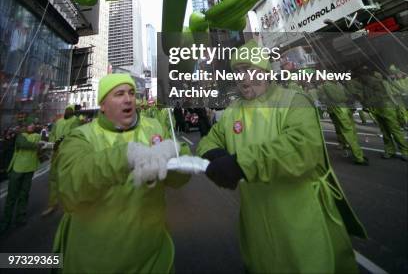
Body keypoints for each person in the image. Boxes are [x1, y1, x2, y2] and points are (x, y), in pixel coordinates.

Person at [197, 40, 366, 274]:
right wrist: (213, 153)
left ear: (264, 70)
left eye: (248, 69)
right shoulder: (232, 112)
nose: (242, 77)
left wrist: (241, 164)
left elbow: (301, 147)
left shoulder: (294, 101)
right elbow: (210, 139)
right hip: (256, 223)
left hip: (301, 219)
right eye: (237, 71)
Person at [53, 74, 190, 274]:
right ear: (103, 105)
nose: (128, 99)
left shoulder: (154, 128)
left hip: (154, 259)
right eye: (119, 94)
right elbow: (69, 186)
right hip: (94, 263)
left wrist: (175, 158)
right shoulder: (81, 136)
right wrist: (124, 157)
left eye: (131, 93)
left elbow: (180, 178)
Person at [1, 120, 42, 232]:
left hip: (29, 169)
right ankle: (6, 221)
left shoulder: (37, 136)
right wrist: (36, 146)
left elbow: (38, 147)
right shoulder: (21, 136)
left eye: (33, 124)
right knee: (12, 196)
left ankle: (20, 217)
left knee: (24, 194)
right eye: (30, 124)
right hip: (17, 168)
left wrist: (39, 147)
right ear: (25, 126)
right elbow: (22, 144)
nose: (32, 126)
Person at [41, 104, 81, 216]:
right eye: (67, 109)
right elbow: (53, 134)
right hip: (56, 153)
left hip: (67, 153)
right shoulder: (58, 122)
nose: (68, 111)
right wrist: (52, 144)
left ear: (72, 111)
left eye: (70, 110)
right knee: (53, 178)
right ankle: (52, 204)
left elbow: (74, 135)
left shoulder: (75, 121)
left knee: (67, 178)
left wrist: (61, 142)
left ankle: (69, 203)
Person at [317, 79, 368, 165]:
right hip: (339, 110)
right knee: (348, 131)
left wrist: (350, 98)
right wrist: (348, 98)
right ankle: (358, 157)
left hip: (345, 108)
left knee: (352, 131)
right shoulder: (327, 85)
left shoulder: (338, 84)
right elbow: (337, 98)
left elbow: (347, 94)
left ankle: (359, 154)